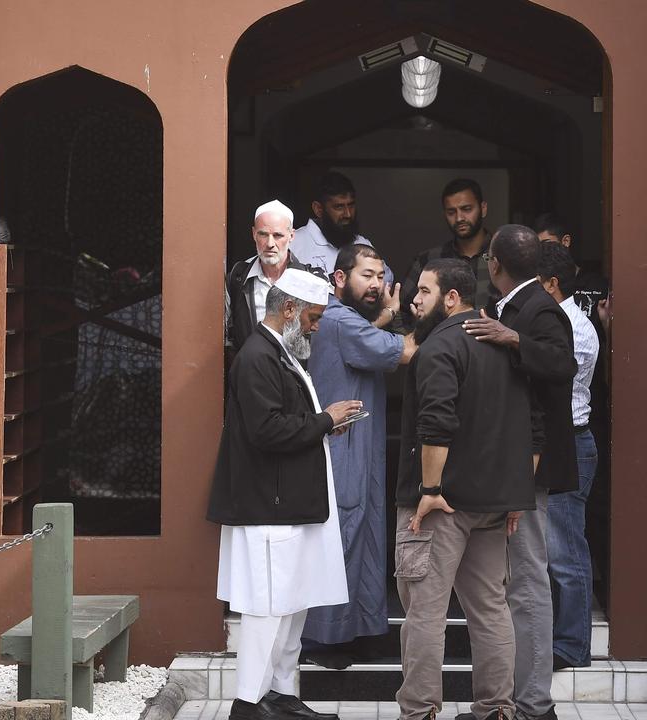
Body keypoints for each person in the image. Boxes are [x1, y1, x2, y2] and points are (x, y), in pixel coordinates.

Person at [207, 267, 364, 720]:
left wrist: (325, 422)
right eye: (314, 318)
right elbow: (266, 430)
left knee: (291, 607)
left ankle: (279, 696)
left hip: (286, 505)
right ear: (290, 309)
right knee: (268, 609)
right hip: (268, 508)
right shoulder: (257, 356)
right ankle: (249, 704)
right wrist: (326, 420)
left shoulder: (280, 352)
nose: (316, 327)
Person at [395, 259, 535, 720]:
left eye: (423, 291)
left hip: (440, 503)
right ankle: (497, 709)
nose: (414, 299)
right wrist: (516, 493)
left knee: (424, 613)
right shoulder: (503, 345)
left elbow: (436, 423)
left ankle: (418, 712)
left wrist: (429, 488)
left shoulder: (438, 349)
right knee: (491, 608)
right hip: (494, 504)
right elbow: (531, 426)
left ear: (451, 297)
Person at [463, 225, 576, 720]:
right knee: (505, 581)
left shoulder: (540, 310)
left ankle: (535, 705)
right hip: (506, 464)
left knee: (528, 580)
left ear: (494, 263)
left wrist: (512, 338)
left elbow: (562, 364)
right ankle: (505, 702)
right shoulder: (509, 303)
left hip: (532, 465)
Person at [302, 244, 417, 667]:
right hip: (342, 448)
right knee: (344, 538)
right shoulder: (337, 320)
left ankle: (357, 630)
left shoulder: (347, 320)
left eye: (380, 276)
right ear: (338, 278)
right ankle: (324, 640)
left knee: (366, 535)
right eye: (366, 275)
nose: (376, 284)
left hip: (359, 446)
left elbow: (377, 337)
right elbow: (404, 351)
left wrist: (386, 316)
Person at [535, 242, 600, 670]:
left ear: (552, 284)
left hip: (571, 444)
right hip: (567, 444)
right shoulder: (565, 319)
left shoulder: (572, 328)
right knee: (555, 549)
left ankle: (572, 647)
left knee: (565, 552)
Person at [226, 200, 324, 353]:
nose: (270, 243)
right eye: (263, 234)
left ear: (292, 236)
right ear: (253, 234)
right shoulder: (238, 277)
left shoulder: (310, 279)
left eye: (278, 235)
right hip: (254, 371)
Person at [400, 179, 501, 324]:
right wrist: (416, 339)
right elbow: (401, 311)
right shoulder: (429, 260)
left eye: (467, 209)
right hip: (441, 344)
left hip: (495, 345)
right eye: (451, 212)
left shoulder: (504, 256)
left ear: (483, 208)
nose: (459, 218)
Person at [290, 171, 396, 291]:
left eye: (351, 205)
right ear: (318, 209)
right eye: (339, 207)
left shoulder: (362, 244)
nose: (348, 214)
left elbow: (386, 281)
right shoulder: (294, 243)